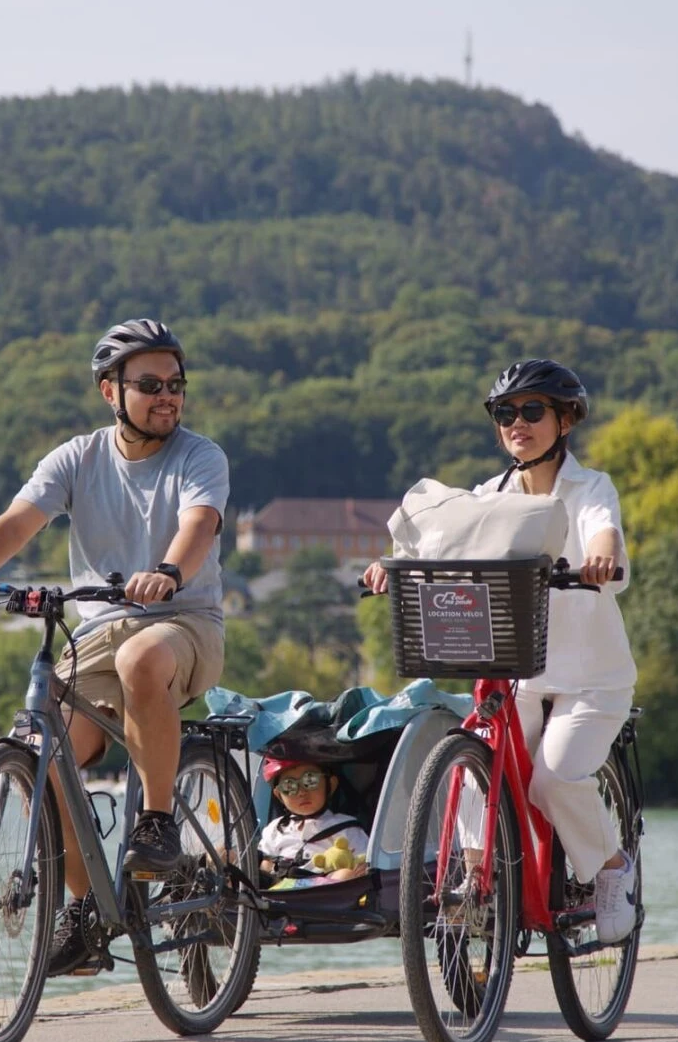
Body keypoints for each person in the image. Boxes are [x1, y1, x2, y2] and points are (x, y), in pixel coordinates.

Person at [0, 318, 229, 974]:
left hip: (183, 622)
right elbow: (17, 522)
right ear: (108, 391)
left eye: (176, 384)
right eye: (150, 385)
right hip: (97, 630)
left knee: (140, 659)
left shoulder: (200, 457)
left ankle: (155, 821)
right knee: (40, 750)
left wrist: (169, 573)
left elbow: (198, 524)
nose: (167, 396)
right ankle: (86, 913)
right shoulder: (77, 458)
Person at [362, 358, 638, 944]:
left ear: (565, 422)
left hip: (590, 679)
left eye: (533, 411)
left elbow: (604, 530)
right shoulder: (491, 495)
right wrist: (393, 566)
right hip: (519, 673)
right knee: (474, 770)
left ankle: (612, 868)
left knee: (554, 780)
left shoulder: (590, 488)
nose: (518, 422)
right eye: (506, 413)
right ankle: (472, 881)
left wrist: (601, 557)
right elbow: (442, 541)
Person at [258, 757, 370, 885]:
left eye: (310, 780)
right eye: (289, 786)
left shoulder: (347, 826)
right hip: (281, 889)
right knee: (262, 865)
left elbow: (364, 862)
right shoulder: (275, 828)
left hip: (320, 894)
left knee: (345, 874)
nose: (301, 792)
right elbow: (264, 862)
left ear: (331, 785)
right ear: (279, 795)